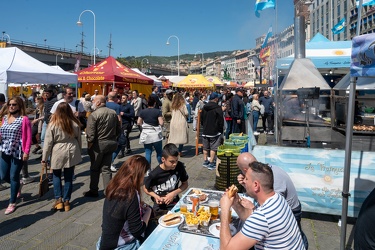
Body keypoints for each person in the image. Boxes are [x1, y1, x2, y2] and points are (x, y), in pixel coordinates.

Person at [220, 161, 305, 250]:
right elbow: (250, 216)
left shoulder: (262, 218)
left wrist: (225, 209)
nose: (244, 181)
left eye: (247, 179)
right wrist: (236, 203)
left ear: (256, 185)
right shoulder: (278, 198)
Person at [97, 155, 153, 250]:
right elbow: (137, 231)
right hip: (121, 245)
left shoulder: (114, 186)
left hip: (105, 241)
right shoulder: (131, 195)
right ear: (139, 174)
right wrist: (148, 211)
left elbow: (121, 209)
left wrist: (139, 205)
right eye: (144, 174)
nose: (144, 177)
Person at [42, 102, 82, 211]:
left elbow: (48, 143)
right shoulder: (75, 123)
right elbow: (79, 139)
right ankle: (67, 201)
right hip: (72, 148)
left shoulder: (53, 124)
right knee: (69, 176)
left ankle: (58, 200)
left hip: (58, 149)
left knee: (56, 175)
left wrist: (44, 158)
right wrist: (79, 151)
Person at [83, 95, 121, 198]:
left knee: (95, 168)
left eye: (94, 101)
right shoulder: (113, 113)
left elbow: (90, 134)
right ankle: (108, 191)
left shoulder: (94, 115)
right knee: (106, 168)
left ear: (99, 102)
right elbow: (118, 129)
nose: (92, 102)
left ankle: (94, 190)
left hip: (98, 144)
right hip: (111, 142)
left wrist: (89, 145)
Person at [0, 97, 32, 215]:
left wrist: (27, 151)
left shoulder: (24, 119)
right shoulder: (4, 118)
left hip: (17, 151)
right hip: (4, 149)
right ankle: (18, 184)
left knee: (13, 176)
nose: (11, 106)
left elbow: (28, 137)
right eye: (9, 104)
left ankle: (12, 202)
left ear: (19, 106)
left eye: (14, 104)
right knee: (3, 175)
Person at [143, 143, 189, 213]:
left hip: (174, 202)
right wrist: (155, 196)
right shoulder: (154, 174)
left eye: (176, 160)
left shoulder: (180, 166)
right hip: (160, 206)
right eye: (172, 161)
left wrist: (173, 194)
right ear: (163, 159)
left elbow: (185, 184)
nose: (175, 164)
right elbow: (145, 188)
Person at [201, 92, 224, 170]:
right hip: (214, 131)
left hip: (205, 130)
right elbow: (221, 121)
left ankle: (205, 161)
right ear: (216, 99)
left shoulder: (204, 107)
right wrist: (221, 130)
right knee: (213, 148)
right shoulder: (218, 108)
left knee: (205, 147)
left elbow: (201, 119)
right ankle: (211, 162)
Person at [137, 96, 164, 165]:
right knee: (159, 152)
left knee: (148, 152)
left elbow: (138, 122)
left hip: (146, 134)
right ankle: (161, 166)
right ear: (154, 103)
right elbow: (161, 123)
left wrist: (143, 125)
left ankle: (148, 170)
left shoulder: (143, 112)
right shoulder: (158, 111)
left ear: (147, 103)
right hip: (155, 134)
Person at [117, 93, 135, 158]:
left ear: (127, 99)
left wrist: (124, 114)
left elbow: (132, 114)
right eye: (122, 98)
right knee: (124, 137)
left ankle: (122, 151)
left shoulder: (129, 106)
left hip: (127, 123)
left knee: (124, 136)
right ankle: (128, 148)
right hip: (120, 123)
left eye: (124, 98)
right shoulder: (119, 106)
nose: (122, 99)